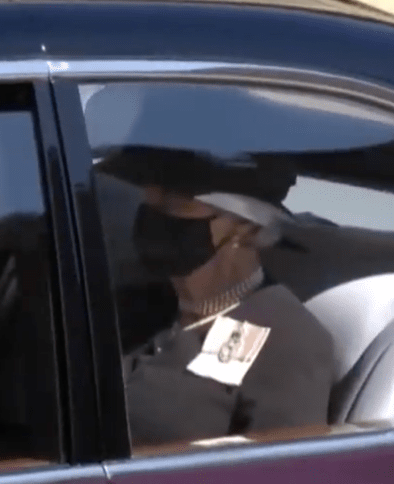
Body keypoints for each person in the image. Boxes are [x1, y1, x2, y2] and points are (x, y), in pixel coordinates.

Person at [96, 147, 334, 447]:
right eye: (148, 201)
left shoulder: (287, 337)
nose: (152, 219)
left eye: (173, 204)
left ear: (246, 228)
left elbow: (283, 472)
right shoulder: (137, 306)